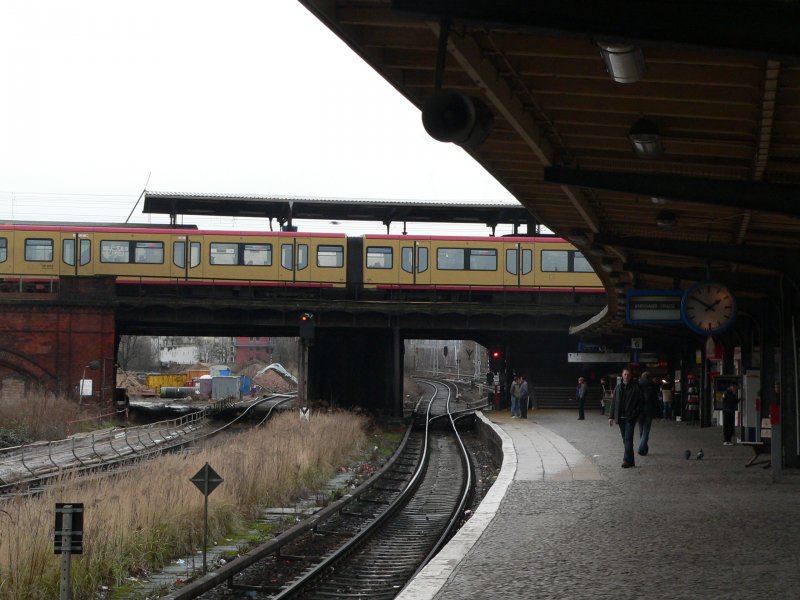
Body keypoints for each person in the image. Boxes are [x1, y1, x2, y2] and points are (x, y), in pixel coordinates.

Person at [608, 368, 644, 468]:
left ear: (630, 376)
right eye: (625, 374)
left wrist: (634, 414)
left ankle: (626, 461)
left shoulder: (635, 388)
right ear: (622, 375)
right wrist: (611, 417)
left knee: (628, 439)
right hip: (620, 418)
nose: (626, 376)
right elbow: (614, 402)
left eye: (628, 374)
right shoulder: (618, 387)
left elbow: (640, 403)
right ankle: (631, 461)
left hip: (630, 418)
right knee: (625, 440)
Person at [637, 371, 660, 456]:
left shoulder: (637, 385)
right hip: (649, 411)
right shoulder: (652, 386)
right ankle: (641, 448)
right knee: (646, 431)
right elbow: (655, 401)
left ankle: (644, 449)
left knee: (641, 431)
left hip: (639, 412)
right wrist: (658, 414)